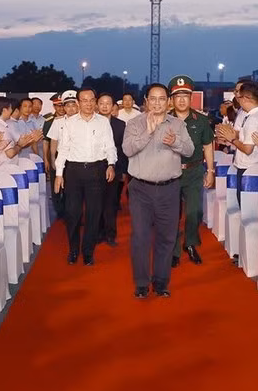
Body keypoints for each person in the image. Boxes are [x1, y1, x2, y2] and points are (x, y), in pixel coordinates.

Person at [123, 83, 194, 298]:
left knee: (166, 238)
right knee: (141, 237)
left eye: (161, 99)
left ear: (168, 102)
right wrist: (149, 131)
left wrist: (176, 143)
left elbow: (190, 150)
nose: (157, 103)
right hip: (140, 190)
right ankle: (142, 283)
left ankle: (161, 283)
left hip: (169, 189)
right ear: (146, 100)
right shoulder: (135, 123)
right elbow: (127, 149)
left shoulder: (177, 124)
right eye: (152, 99)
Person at [54, 88, 116, 265]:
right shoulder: (69, 123)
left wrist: (111, 164)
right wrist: (59, 174)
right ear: (78, 102)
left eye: (91, 100)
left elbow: (110, 146)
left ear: (95, 101)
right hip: (73, 171)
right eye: (84, 100)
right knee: (72, 213)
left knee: (94, 213)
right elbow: (63, 149)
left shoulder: (103, 122)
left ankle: (88, 251)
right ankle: (73, 249)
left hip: (97, 170)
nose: (88, 103)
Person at [167, 75, 215, 267]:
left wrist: (210, 171)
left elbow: (208, 146)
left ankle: (191, 244)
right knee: (171, 214)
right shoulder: (165, 120)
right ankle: (173, 250)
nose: (181, 99)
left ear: (191, 97)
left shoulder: (201, 120)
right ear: (171, 99)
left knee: (194, 212)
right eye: (177, 96)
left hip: (194, 172)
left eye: (185, 95)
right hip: (170, 173)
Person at [215, 81, 258, 209]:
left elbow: (248, 149)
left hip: (249, 169)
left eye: (239, 97)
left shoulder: (253, 119)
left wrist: (232, 139)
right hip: (250, 167)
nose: (237, 100)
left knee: (247, 209)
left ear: (246, 98)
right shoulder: (252, 116)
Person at [97, 93, 127, 246]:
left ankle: (110, 234)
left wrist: (121, 171)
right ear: (97, 105)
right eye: (101, 103)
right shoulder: (91, 123)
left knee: (111, 203)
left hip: (113, 169)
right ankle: (98, 233)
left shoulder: (120, 125)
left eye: (108, 103)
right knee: (95, 203)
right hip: (94, 169)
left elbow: (122, 150)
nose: (104, 106)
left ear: (113, 107)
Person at [47, 91, 78, 219]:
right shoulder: (58, 122)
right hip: (61, 158)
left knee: (73, 188)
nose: (71, 109)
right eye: (67, 106)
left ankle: (73, 213)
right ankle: (62, 212)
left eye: (73, 105)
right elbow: (53, 142)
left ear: (78, 106)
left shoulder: (82, 121)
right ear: (64, 107)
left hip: (76, 159)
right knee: (59, 188)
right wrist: (53, 159)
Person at [0, 96, 41, 169]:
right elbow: (10, 153)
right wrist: (20, 145)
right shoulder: (2, 128)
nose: (12, 111)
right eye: (10, 108)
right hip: (5, 168)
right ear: (4, 110)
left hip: (4, 168)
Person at [42, 93, 64, 176]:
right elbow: (46, 141)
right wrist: (46, 159)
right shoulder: (49, 121)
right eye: (59, 106)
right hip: (54, 154)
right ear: (54, 106)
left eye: (63, 105)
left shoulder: (71, 119)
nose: (61, 109)